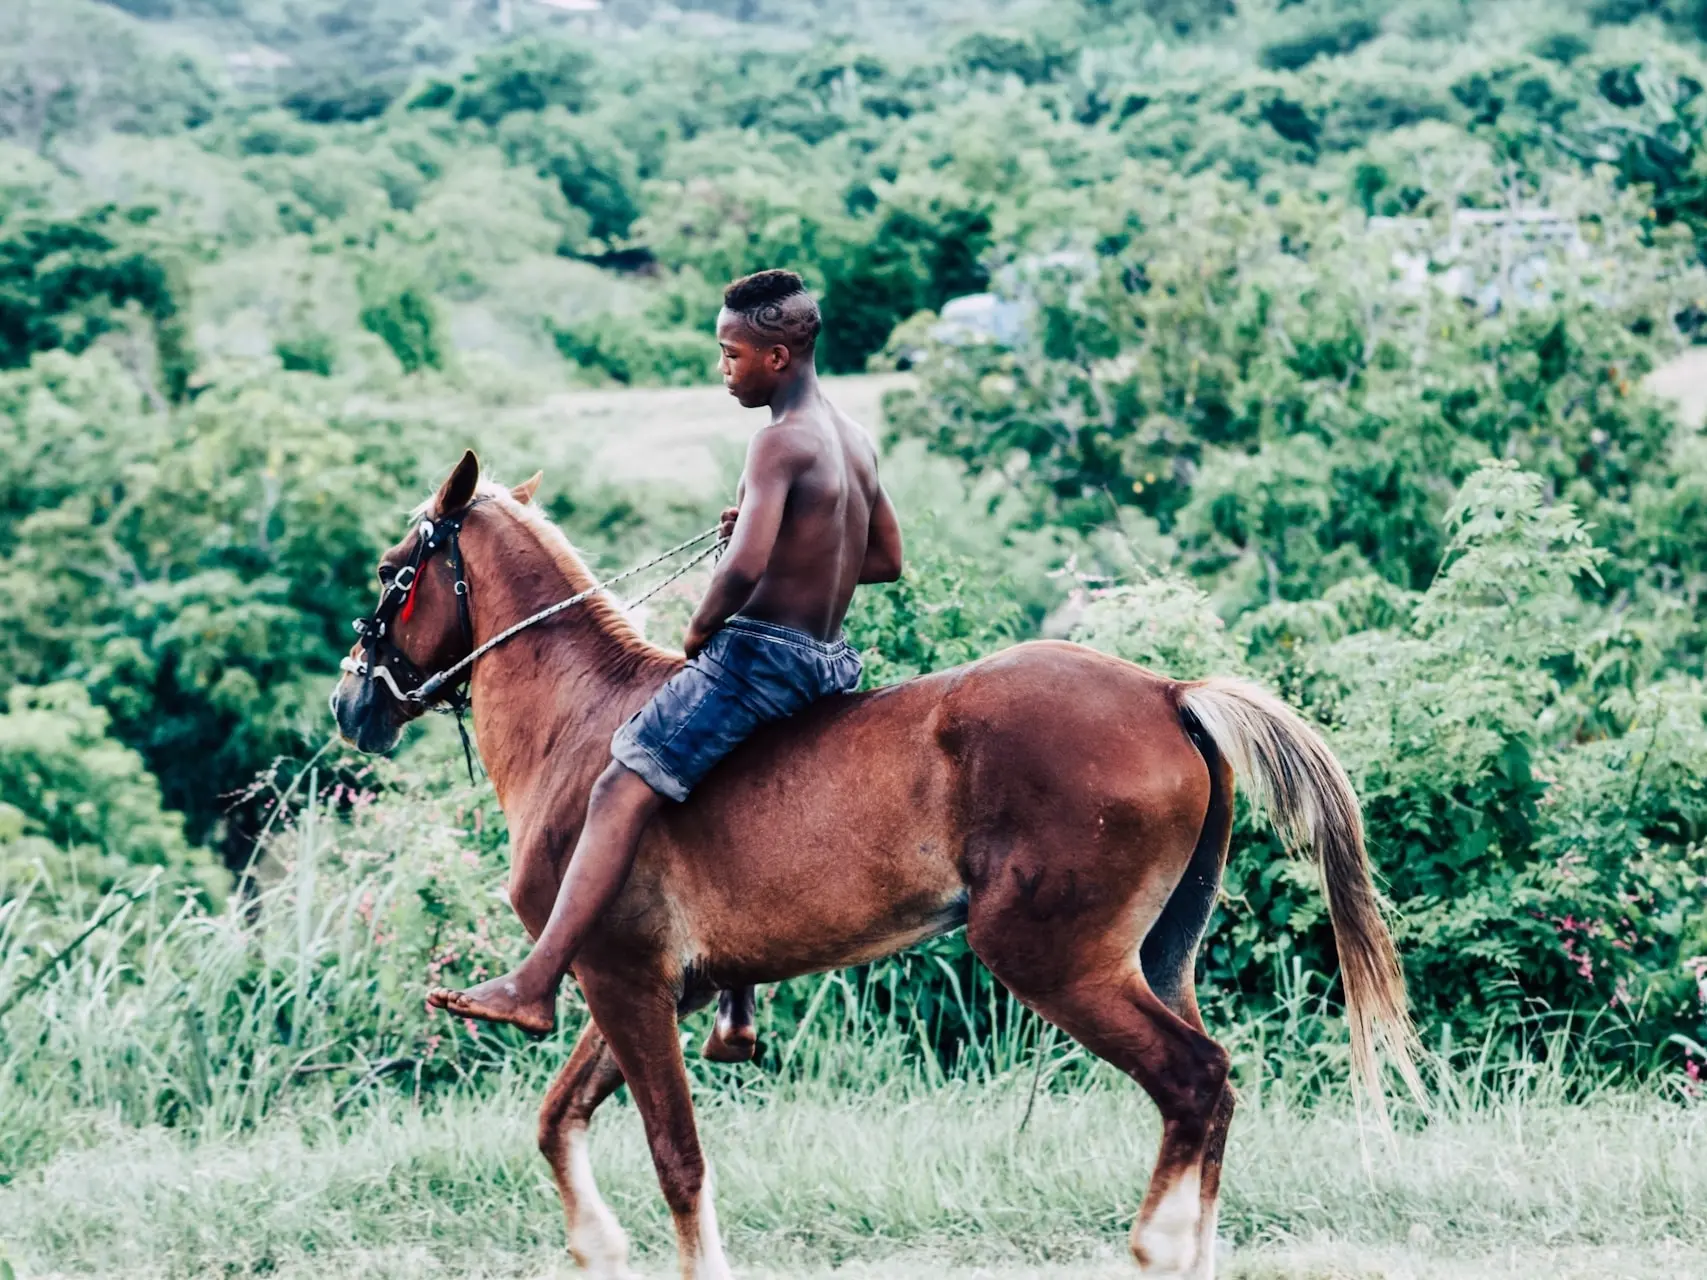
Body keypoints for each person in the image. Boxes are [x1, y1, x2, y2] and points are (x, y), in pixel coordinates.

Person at [427, 269, 905, 1045]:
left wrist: (699, 632)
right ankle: (735, 1009)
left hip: (762, 657)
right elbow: (883, 559)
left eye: (731, 354)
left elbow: (745, 569)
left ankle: (535, 981)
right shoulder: (851, 436)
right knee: (723, 781)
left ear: (777, 357)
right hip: (827, 659)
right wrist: (791, 537)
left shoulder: (776, 443)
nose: (724, 369)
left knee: (621, 783)